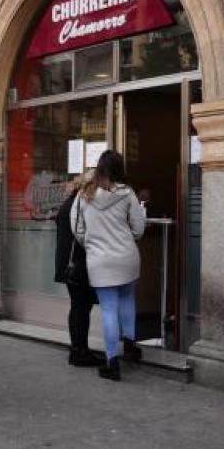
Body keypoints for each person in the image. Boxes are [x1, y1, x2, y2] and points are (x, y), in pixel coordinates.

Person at [71, 150, 146, 381]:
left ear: (100, 168)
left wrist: (92, 244)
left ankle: (112, 362)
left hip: (99, 261)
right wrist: (125, 239)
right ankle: (131, 346)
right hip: (126, 257)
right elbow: (138, 228)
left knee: (108, 309)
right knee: (127, 299)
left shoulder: (84, 194)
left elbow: (77, 228)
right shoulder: (128, 194)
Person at [54, 176, 103, 367]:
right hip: (77, 264)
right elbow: (83, 234)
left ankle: (77, 349)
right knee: (82, 307)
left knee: (77, 306)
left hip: (68, 264)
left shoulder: (70, 201)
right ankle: (80, 351)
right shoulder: (79, 203)